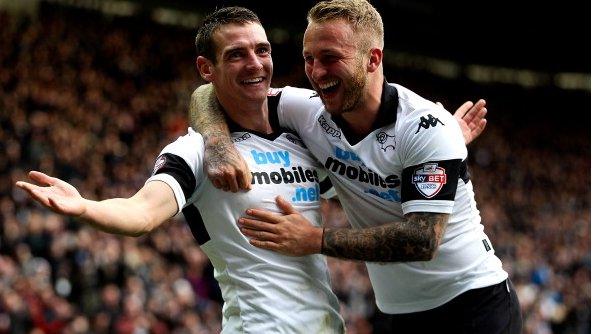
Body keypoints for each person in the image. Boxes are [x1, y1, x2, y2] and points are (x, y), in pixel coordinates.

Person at [189, 1, 522, 333]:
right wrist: (218, 144)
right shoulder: (308, 112)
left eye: (331, 58)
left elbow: (422, 240)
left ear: (372, 59)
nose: (317, 73)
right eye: (309, 59)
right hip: (397, 314)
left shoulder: (425, 126)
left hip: (474, 305)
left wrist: (315, 240)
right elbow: (211, 92)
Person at [15, 7, 346, 333]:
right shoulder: (194, 151)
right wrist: (86, 207)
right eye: (236, 55)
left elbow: (354, 186)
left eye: (262, 50)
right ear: (206, 68)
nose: (255, 63)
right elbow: (141, 211)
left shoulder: (302, 131)